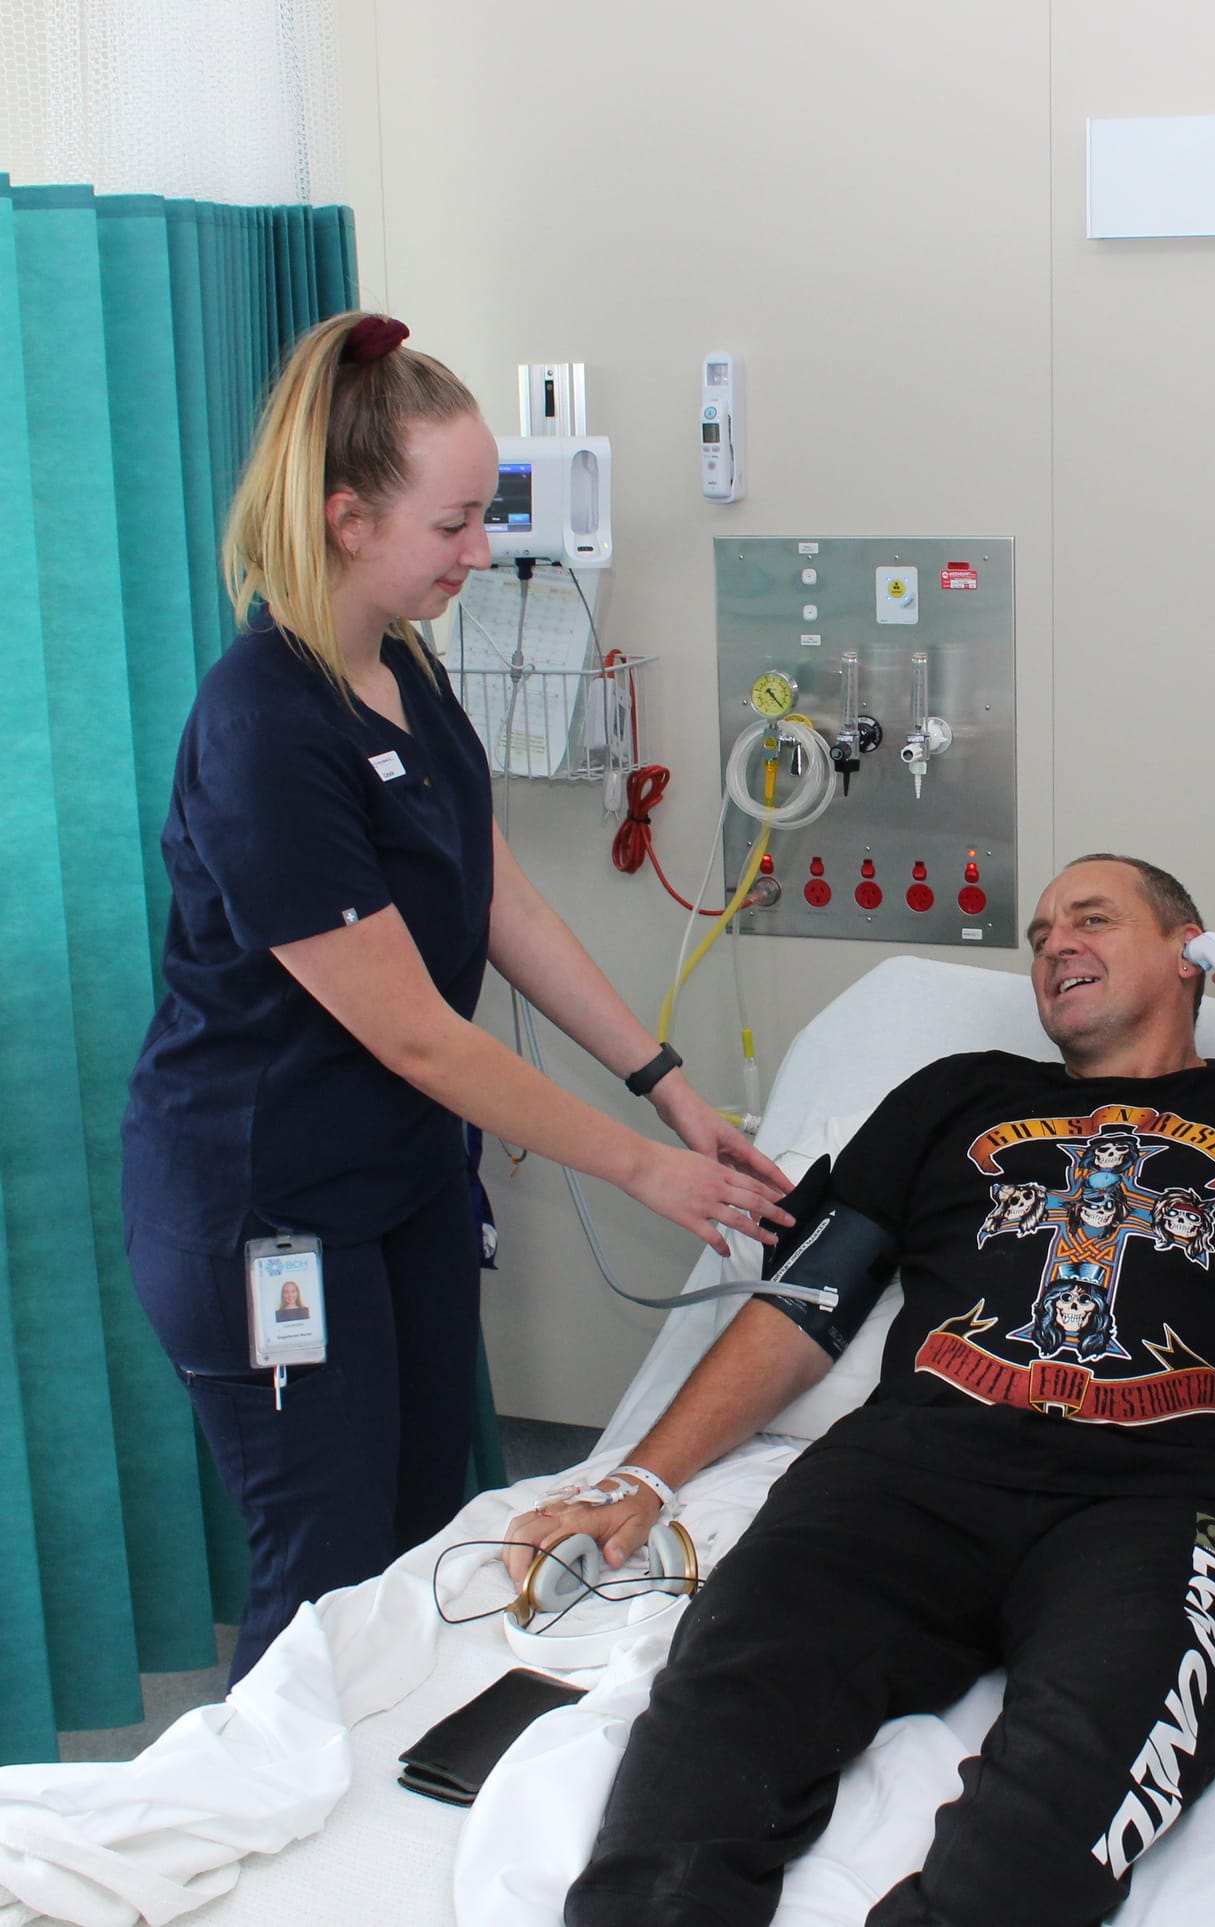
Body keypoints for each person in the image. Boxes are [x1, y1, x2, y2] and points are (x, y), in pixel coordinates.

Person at [503, 854, 1215, 1927]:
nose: (1054, 947)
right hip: (902, 1480)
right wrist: (643, 1479)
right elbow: (807, 1306)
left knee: (1054, 1818)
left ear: (1191, 954)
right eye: (1037, 937)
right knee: (715, 1719)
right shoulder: (953, 1096)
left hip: (1160, 1506)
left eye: (1090, 918)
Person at [121, 311, 793, 1681]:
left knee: (429, 1535)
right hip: (269, 1211)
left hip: (400, 1184)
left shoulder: (407, 670)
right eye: (456, 524)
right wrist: (639, 1170)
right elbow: (419, 1028)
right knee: (325, 1570)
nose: (481, 553)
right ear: (348, 516)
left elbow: (500, 900)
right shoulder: (264, 723)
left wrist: (667, 1085)